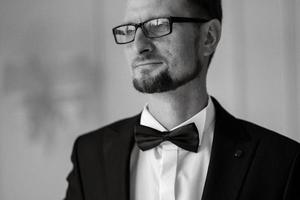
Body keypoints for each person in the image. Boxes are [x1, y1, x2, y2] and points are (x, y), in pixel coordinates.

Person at [64, 0, 300, 199]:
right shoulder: (89, 156)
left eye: (157, 25)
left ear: (208, 37)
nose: (138, 46)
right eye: (128, 29)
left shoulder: (280, 163)